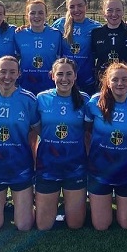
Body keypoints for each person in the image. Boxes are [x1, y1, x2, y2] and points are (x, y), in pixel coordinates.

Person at [0, 56, 39, 232]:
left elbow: (34, 134)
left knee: (24, 225)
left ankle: (27, 206)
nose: (7, 76)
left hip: (20, 166)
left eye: (12, 72)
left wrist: (33, 162)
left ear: (19, 74)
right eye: (3, 71)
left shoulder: (28, 99)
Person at [85, 62, 127, 230]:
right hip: (100, 170)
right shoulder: (94, 102)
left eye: (124, 79)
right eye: (115, 79)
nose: (120, 84)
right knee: (101, 225)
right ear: (107, 81)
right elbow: (87, 131)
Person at [34, 58, 90, 230]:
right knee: (43, 226)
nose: (64, 79)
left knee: (75, 224)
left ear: (75, 76)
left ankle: (71, 204)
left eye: (68, 74)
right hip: (48, 166)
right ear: (52, 76)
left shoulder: (85, 100)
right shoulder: (41, 99)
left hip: (75, 166)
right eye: (60, 74)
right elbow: (37, 130)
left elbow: (87, 132)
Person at [91, 0, 127, 96]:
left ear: (123, 11)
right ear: (103, 13)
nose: (114, 14)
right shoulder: (96, 33)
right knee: (104, 111)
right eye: (110, 10)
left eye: (118, 10)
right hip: (104, 83)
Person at [50, 0, 101, 95]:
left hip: (86, 79)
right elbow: (42, 32)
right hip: (64, 79)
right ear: (67, 8)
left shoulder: (96, 27)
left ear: (86, 6)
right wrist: (25, 28)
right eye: (72, 7)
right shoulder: (59, 24)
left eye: (80, 6)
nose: (76, 10)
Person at [14, 0, 62, 94]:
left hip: (49, 87)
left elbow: (59, 60)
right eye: (32, 13)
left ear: (46, 15)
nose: (36, 16)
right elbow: (15, 59)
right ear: (27, 16)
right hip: (25, 86)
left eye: (40, 13)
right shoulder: (19, 35)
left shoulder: (56, 35)